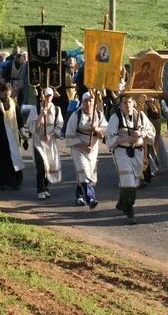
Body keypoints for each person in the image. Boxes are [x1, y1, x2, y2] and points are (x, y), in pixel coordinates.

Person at [105, 95, 156, 225]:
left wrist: (141, 134)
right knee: (128, 181)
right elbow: (109, 137)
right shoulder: (115, 117)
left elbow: (151, 132)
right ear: (120, 105)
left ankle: (122, 203)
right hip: (122, 152)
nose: (127, 105)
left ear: (133, 103)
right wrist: (126, 139)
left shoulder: (140, 115)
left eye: (129, 102)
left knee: (134, 182)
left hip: (138, 152)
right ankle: (129, 210)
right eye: (124, 102)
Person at [65, 91, 106, 208]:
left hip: (93, 149)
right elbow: (69, 134)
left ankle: (79, 196)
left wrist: (97, 129)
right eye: (86, 101)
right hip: (78, 148)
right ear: (82, 102)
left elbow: (106, 130)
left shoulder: (98, 114)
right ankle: (91, 198)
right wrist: (82, 146)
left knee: (89, 173)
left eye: (91, 100)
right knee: (83, 170)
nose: (88, 103)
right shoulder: (76, 116)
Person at [27, 87, 63, 200]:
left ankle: (46, 187)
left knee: (49, 164)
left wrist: (51, 135)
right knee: (41, 165)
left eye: (50, 96)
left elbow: (59, 124)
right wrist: (41, 115)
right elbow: (31, 127)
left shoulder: (57, 109)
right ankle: (40, 189)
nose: (48, 98)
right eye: (46, 96)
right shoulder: (36, 108)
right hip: (39, 141)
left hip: (50, 142)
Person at [0, 83, 24, 190]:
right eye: (5, 94)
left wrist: (23, 133)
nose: (7, 96)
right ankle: (1, 183)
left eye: (9, 94)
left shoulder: (14, 103)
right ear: (1, 92)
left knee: (14, 159)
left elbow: (19, 119)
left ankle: (15, 183)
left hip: (13, 137)